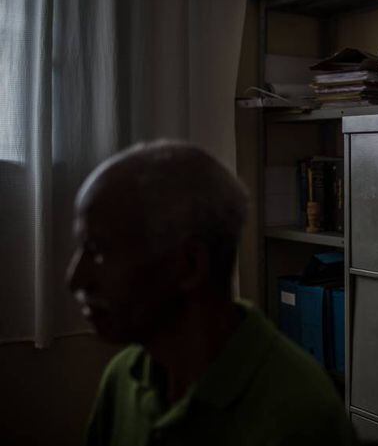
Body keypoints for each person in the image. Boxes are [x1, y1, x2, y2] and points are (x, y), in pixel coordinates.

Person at [67, 140, 357, 446]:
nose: (74, 280)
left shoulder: (301, 416)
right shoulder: (124, 374)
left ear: (189, 265)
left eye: (98, 251)